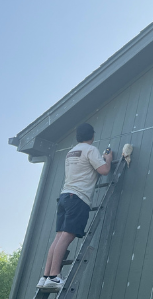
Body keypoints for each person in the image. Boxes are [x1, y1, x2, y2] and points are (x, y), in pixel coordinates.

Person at [36, 123, 113, 290]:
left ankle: (46, 276)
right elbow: (104, 170)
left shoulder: (71, 152)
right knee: (66, 237)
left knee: (58, 238)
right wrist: (108, 159)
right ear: (91, 135)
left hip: (65, 196)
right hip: (78, 198)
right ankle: (55, 277)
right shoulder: (90, 150)